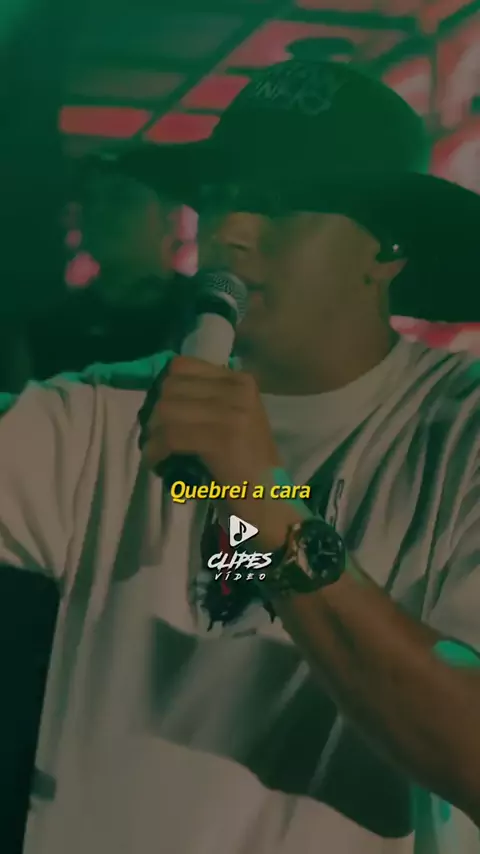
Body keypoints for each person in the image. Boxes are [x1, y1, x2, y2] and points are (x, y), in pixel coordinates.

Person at [2, 60, 480, 854]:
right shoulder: (106, 413)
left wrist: (265, 506)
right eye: (222, 194)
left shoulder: (461, 433)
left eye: (282, 203)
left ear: (388, 246)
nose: (230, 230)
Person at [27, 146, 199, 380]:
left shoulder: (204, 314)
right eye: (89, 200)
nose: (98, 211)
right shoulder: (50, 329)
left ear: (170, 218)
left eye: (122, 198)